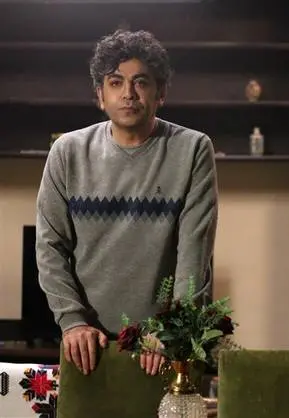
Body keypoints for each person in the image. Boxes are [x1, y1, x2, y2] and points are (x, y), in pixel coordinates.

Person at [36, 30, 218, 378]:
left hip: (164, 346)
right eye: (116, 82)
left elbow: (194, 256)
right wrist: (73, 322)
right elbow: (50, 247)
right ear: (100, 95)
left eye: (141, 82)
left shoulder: (193, 149)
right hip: (88, 346)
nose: (128, 93)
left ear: (160, 93)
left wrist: (173, 331)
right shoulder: (67, 152)